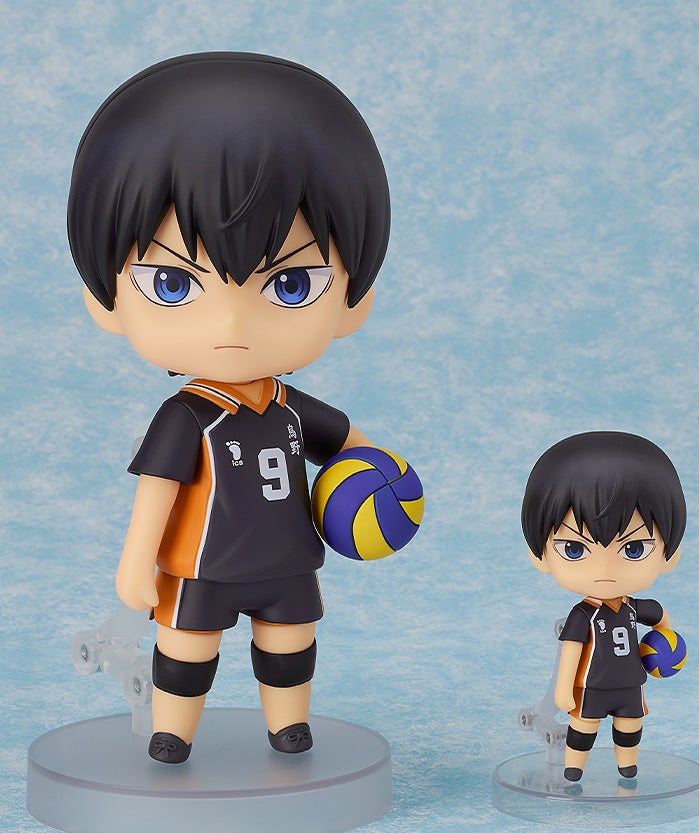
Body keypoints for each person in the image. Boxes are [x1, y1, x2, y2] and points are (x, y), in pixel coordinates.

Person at [68, 52, 391, 763]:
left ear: (353, 299)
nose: (233, 326)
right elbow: (157, 493)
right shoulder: (186, 415)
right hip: (201, 566)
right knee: (186, 649)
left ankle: (289, 725)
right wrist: (136, 562)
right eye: (174, 284)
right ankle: (172, 729)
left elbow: (353, 445)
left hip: (288, 558)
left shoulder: (290, 405)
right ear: (105, 298)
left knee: (290, 644)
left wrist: (386, 480)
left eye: (290, 285)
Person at [521, 431, 686, 781]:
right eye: (575, 549)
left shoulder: (633, 607)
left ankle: (627, 766)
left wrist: (666, 640)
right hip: (591, 686)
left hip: (630, 683)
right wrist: (564, 689)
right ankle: (573, 767)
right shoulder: (584, 614)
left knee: (630, 724)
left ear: (669, 555)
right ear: (540, 555)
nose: (605, 570)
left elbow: (660, 616)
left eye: (634, 549)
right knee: (583, 726)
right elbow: (571, 650)